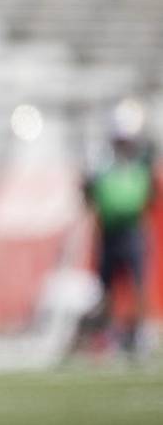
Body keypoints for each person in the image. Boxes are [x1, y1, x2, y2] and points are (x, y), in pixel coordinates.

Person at [80, 115, 156, 355]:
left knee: (137, 284)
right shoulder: (104, 164)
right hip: (110, 231)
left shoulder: (138, 163)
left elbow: (148, 193)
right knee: (107, 288)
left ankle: (139, 333)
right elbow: (89, 193)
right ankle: (109, 335)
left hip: (132, 230)